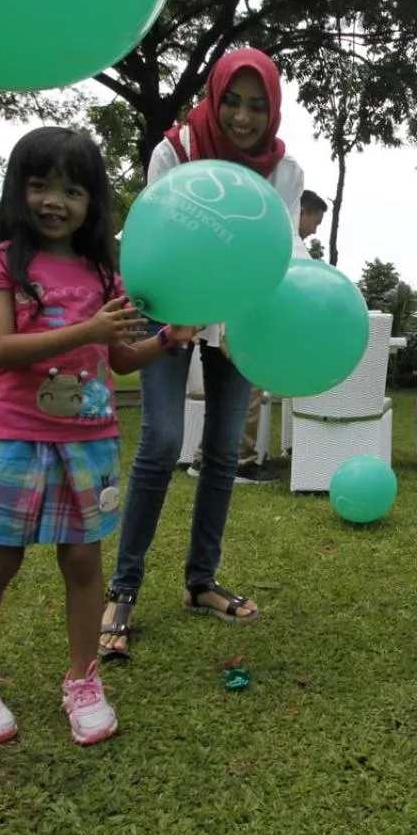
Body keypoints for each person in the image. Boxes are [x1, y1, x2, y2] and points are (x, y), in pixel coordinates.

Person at [0, 127, 194, 746]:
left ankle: (85, 680)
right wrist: (85, 330)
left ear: (92, 203)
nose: (55, 200)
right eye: (40, 185)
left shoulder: (105, 275)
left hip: (89, 440)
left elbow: (118, 362)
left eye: (73, 189)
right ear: (18, 190)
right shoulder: (1, 261)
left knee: (83, 562)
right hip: (15, 436)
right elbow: (1, 349)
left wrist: (163, 341)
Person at [100, 49, 308, 659]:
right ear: (214, 99)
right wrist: (174, 315)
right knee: (161, 440)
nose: (243, 118)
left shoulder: (284, 169)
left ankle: (200, 582)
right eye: (232, 102)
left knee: (222, 450)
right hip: (172, 308)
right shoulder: (175, 150)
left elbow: (283, 253)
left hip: (242, 315)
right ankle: (123, 591)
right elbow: (156, 236)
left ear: (272, 110)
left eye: (257, 106)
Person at [191, 188, 329, 481]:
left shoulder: (266, 234)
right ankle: (241, 460)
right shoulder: (279, 237)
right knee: (245, 393)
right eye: (314, 222)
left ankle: (205, 457)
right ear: (300, 211)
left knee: (225, 398)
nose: (315, 230)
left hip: (229, 323)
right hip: (243, 326)